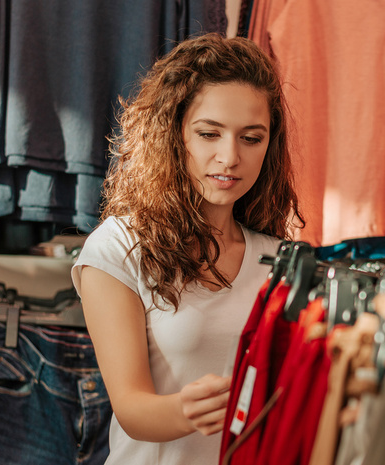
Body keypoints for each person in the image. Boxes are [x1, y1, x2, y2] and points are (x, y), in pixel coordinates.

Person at [71, 32, 303, 464]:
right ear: (174, 134)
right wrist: (186, 408)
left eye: (251, 138)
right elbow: (131, 408)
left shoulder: (282, 259)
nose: (229, 157)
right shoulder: (119, 246)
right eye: (209, 133)